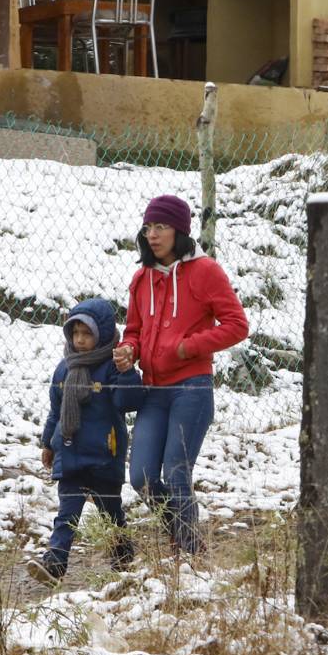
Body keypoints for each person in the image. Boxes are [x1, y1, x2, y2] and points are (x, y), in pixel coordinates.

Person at [113, 195, 249, 555]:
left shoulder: (205, 272)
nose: (152, 235)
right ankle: (187, 537)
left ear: (180, 231)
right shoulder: (141, 279)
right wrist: (130, 350)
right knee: (141, 477)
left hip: (192, 387)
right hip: (153, 391)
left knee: (176, 473)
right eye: (147, 228)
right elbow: (134, 330)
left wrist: (189, 347)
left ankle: (188, 553)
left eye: (161, 227)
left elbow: (237, 325)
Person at [29, 298, 144, 584]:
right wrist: (48, 442)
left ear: (102, 334)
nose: (79, 340)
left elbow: (127, 402)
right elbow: (56, 411)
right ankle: (54, 564)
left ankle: (123, 556)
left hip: (104, 453)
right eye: (75, 333)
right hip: (69, 454)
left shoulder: (112, 367)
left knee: (111, 513)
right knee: (67, 513)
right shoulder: (64, 369)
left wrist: (128, 372)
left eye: (87, 334)